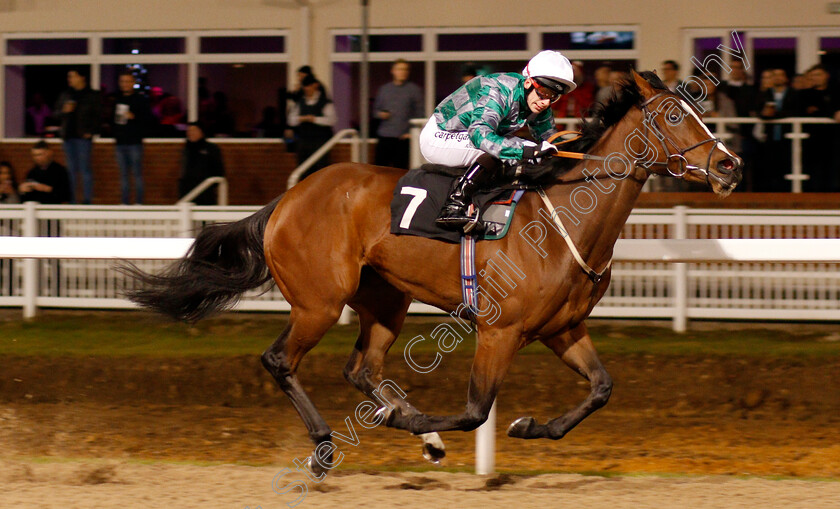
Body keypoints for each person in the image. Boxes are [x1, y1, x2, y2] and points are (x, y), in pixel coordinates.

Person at [419, 50, 575, 231]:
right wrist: (525, 152)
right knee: (508, 149)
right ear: (528, 82)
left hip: (468, 136)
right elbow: (480, 134)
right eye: (543, 93)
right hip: (441, 135)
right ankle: (454, 205)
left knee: (531, 149)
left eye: (553, 97)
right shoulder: (498, 90)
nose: (546, 102)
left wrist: (576, 151)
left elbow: (550, 140)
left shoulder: (540, 105)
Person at [55, 68, 102, 204]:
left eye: (73, 76)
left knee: (85, 169)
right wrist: (64, 111)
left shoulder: (92, 95)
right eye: (69, 77)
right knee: (71, 170)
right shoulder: (66, 95)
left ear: (82, 78)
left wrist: (91, 131)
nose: (70, 80)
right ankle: (73, 200)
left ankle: (87, 200)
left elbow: (98, 116)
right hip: (68, 137)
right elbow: (55, 114)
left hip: (83, 137)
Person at [373, 59, 425, 169]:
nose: (403, 72)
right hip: (385, 136)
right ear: (393, 71)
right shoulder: (384, 89)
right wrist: (381, 114)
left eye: (405, 69)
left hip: (403, 137)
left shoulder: (414, 90)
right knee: (380, 170)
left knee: (400, 170)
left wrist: (410, 133)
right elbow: (375, 111)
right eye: (400, 69)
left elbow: (420, 113)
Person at [113, 71, 153, 204]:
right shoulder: (117, 99)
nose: (124, 84)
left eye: (127, 81)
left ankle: (139, 203)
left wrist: (134, 117)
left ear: (133, 83)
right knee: (123, 175)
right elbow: (113, 121)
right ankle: (124, 203)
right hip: (120, 142)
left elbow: (149, 120)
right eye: (122, 81)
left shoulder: (141, 100)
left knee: (137, 174)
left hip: (134, 142)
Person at [758, 69, 800, 192]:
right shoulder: (765, 93)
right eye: (774, 75)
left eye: (780, 75)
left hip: (788, 137)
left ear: (786, 78)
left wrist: (776, 114)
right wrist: (765, 113)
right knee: (769, 167)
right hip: (769, 137)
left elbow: (796, 111)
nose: (777, 78)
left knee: (787, 165)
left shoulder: (794, 93)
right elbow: (759, 111)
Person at [287, 75, 336, 179]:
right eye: (305, 86)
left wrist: (314, 119)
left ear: (315, 85)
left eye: (308, 86)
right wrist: (302, 118)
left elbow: (332, 120)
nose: (306, 89)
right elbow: (291, 120)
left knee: (320, 171)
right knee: (303, 171)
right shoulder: (300, 102)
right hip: (304, 141)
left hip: (320, 142)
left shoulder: (325, 102)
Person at [179, 123, 225, 205]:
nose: (191, 133)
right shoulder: (186, 149)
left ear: (201, 132)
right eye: (189, 131)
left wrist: (209, 186)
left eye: (194, 130)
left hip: (206, 192)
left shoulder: (211, 149)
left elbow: (219, 170)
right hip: (187, 192)